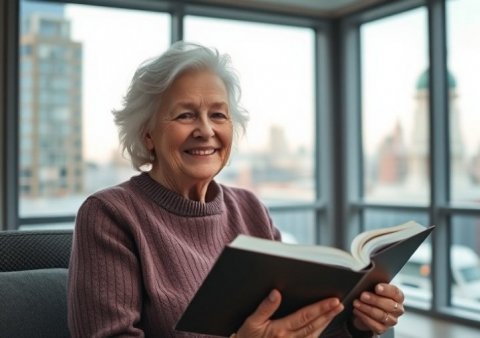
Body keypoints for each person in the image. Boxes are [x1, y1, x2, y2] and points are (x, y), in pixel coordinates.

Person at [67, 41, 405, 338]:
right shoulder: (109, 214)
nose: (205, 130)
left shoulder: (251, 208)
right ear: (148, 134)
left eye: (218, 115)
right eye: (185, 115)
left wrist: (356, 323)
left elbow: (293, 326)